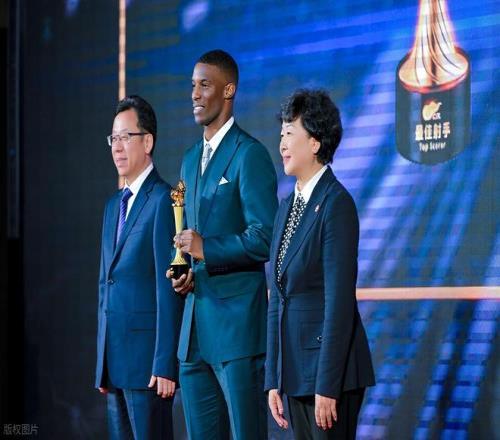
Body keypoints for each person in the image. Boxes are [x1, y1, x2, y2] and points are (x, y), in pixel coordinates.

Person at [168, 49, 278, 439]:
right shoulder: (189, 158)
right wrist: (184, 268)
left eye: (204, 85)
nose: (195, 94)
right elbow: (189, 235)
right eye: (192, 86)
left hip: (236, 331)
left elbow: (264, 237)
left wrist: (207, 249)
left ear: (228, 90)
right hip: (194, 332)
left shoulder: (250, 154)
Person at [265, 89, 375, 439]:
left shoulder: (335, 204)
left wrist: (328, 385)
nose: (282, 143)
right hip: (296, 372)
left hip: (330, 377)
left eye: (289, 133)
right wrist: (273, 378)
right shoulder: (286, 207)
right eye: (281, 133)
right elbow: (278, 297)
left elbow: (339, 303)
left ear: (314, 142)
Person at [95, 95, 184, 439]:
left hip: (148, 368)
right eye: (113, 138)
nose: (117, 147)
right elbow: (106, 285)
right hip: (115, 365)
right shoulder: (112, 206)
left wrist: (165, 363)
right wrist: (102, 364)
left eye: (125, 137)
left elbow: (169, 287)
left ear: (147, 142)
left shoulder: (163, 200)